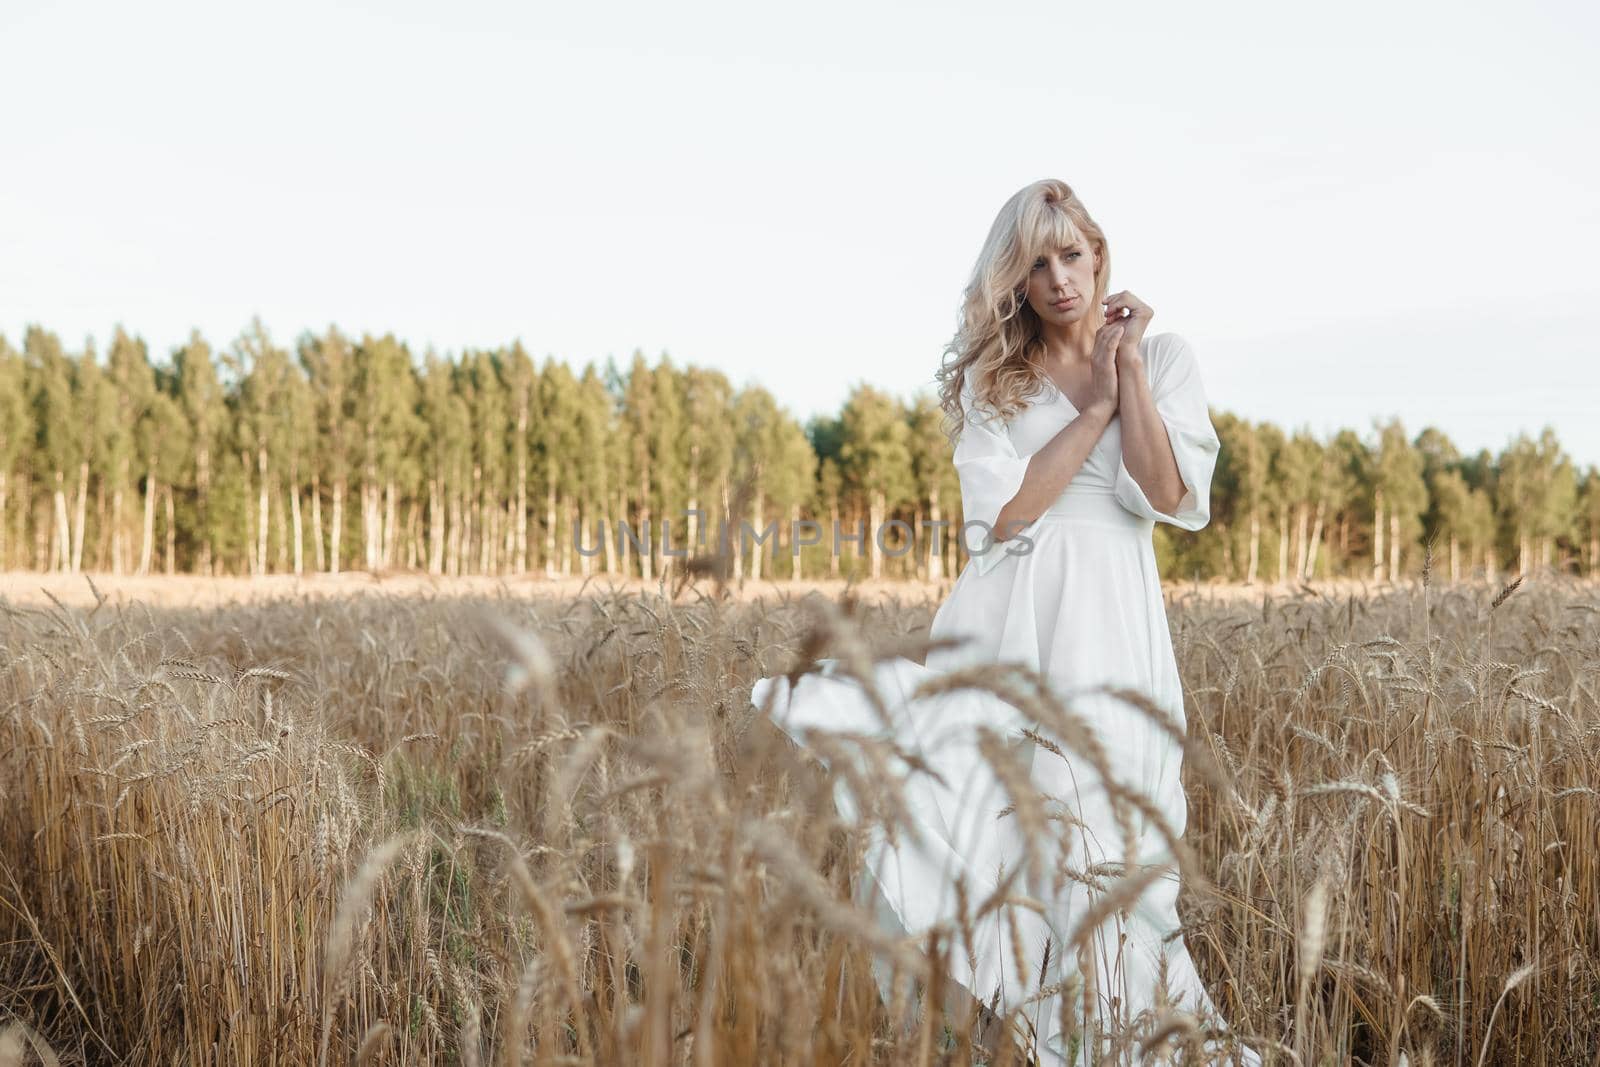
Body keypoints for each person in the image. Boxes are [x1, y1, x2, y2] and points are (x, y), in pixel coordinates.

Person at [751, 178, 1258, 1065]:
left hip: (1115, 625)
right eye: (1036, 263)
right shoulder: (999, 379)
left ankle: (1128, 1038)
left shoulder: (1165, 356)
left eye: (1072, 254)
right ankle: (1026, 1033)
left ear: (1101, 255)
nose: (1060, 277)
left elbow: (1172, 494)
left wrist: (1125, 372)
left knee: (1119, 841)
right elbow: (1005, 520)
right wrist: (1092, 404)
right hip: (1012, 621)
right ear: (1015, 283)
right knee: (1012, 831)